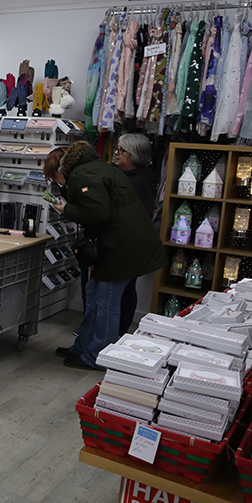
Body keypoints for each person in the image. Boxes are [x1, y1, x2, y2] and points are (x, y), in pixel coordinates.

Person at [44, 140, 165, 370]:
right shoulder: (98, 168)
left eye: (53, 177)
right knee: (94, 294)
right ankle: (84, 347)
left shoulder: (82, 175)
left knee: (106, 302)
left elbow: (97, 213)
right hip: (119, 242)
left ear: (61, 170)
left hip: (120, 246)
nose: (54, 183)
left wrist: (66, 208)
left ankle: (98, 356)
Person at [112, 133, 157, 336]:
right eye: (117, 148)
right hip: (118, 242)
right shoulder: (119, 175)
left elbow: (142, 216)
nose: (116, 153)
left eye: (122, 150)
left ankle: (119, 333)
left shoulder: (141, 182)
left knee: (124, 290)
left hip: (127, 245)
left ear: (135, 155)